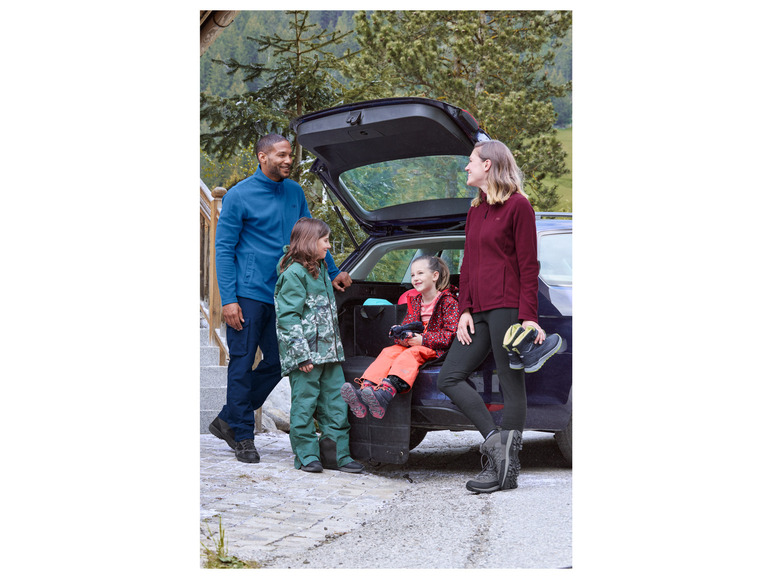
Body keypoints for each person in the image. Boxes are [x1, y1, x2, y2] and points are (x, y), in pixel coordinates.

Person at [209, 134, 352, 463]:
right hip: (248, 295)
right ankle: (242, 435)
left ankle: (230, 417)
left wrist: (332, 272)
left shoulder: (294, 192)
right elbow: (224, 248)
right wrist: (228, 299)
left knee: (278, 361)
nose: (288, 160)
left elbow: (311, 237)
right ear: (263, 157)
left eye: (290, 155)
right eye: (281, 155)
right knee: (242, 362)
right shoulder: (239, 195)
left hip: (287, 295)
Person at [437, 139, 562, 494]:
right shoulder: (475, 210)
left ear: (488, 164)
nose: (466, 167)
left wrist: (529, 317)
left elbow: (528, 265)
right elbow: (469, 263)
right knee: (450, 377)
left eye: (471, 161)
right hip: (477, 311)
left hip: (507, 307)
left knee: (511, 383)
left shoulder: (518, 206)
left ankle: (507, 469)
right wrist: (464, 308)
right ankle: (495, 444)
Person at [274, 218, 364, 473]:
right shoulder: (293, 274)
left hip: (329, 354)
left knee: (337, 403)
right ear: (309, 242)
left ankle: (336, 455)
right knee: (305, 405)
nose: (329, 246)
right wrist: (301, 355)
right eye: (325, 241)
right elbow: (288, 318)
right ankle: (306, 455)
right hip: (306, 357)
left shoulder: (321, 269)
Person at [341, 255, 460, 419]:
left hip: (435, 348)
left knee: (411, 354)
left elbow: (451, 334)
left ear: (435, 276)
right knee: (389, 351)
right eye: (412, 275)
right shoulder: (415, 301)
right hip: (415, 342)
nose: (415, 278)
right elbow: (407, 325)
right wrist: (401, 336)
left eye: (420, 273)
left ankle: (385, 393)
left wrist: (423, 340)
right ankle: (365, 391)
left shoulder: (448, 302)